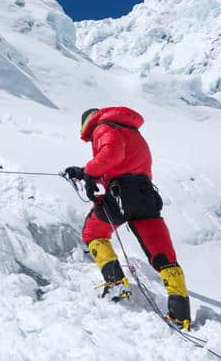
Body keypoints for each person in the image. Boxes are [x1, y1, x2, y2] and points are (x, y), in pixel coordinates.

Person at [65, 107, 191, 329]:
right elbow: (124, 165)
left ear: (87, 124)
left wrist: (90, 174)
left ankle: (115, 283)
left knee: (93, 232)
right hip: (147, 195)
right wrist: (85, 171)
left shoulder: (103, 127)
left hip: (123, 194)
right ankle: (180, 314)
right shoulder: (130, 131)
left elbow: (112, 155)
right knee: (162, 253)